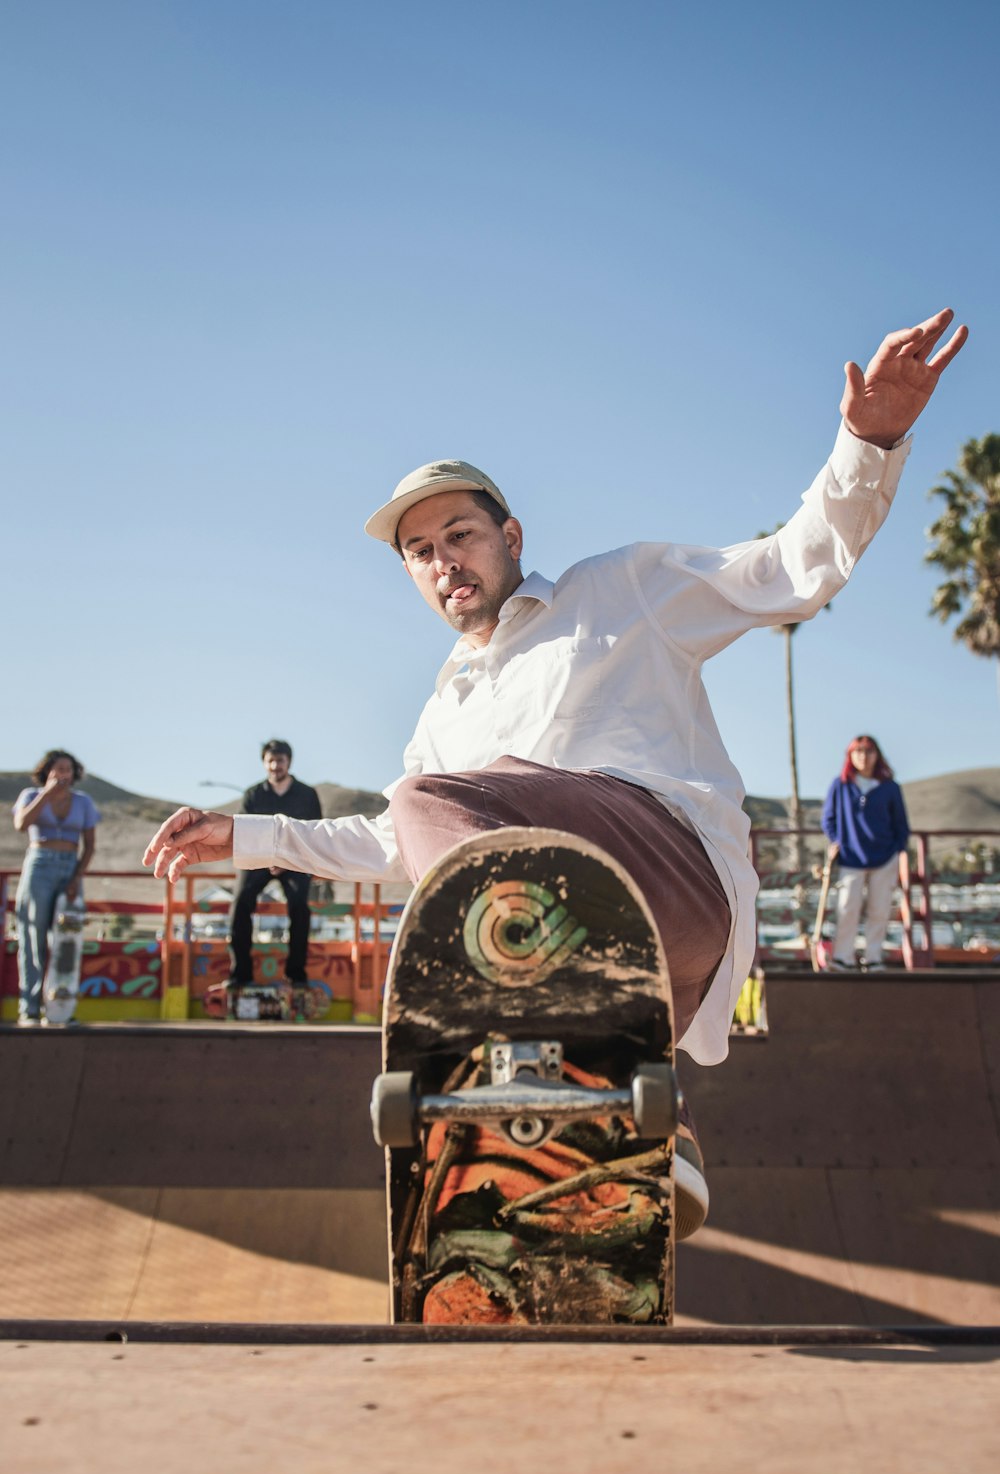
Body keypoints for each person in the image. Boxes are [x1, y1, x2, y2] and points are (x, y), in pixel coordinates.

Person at [144, 307, 968, 1236]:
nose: (444, 563)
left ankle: (584, 1054)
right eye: (422, 554)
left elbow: (792, 569)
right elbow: (391, 838)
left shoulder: (620, 591)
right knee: (427, 813)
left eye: (460, 535)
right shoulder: (444, 712)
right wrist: (245, 834)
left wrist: (870, 438)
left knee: (439, 801)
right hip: (592, 947)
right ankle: (614, 1105)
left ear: (511, 535)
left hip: (667, 884)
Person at [12, 749, 100, 1026]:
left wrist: (76, 878)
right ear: (47, 771)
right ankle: (30, 1007)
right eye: (59, 768)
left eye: (68, 770)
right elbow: (21, 824)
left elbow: (90, 845)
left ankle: (60, 1007)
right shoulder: (31, 795)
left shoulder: (83, 802)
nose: (64, 774)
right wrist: (45, 795)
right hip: (40, 864)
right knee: (33, 935)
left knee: (66, 939)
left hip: (70, 867)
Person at [227, 740, 322, 995]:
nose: (274, 766)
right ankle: (240, 974)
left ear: (288, 762)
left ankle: (296, 975)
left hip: (294, 860)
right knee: (239, 903)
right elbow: (244, 833)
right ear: (263, 763)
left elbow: (315, 833)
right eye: (270, 760)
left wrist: (286, 859)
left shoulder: (307, 795)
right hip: (259, 859)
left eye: (279, 760)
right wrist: (268, 858)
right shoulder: (253, 795)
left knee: (300, 907)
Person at [821, 735, 910, 972]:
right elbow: (828, 819)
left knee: (879, 909)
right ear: (850, 756)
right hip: (851, 857)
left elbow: (900, 823)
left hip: (884, 857)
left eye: (868, 751)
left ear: (877, 755)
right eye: (857, 751)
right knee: (847, 907)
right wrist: (837, 841)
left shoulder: (890, 788)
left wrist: (897, 849)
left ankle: (873, 957)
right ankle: (843, 957)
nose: (863, 756)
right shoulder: (840, 786)